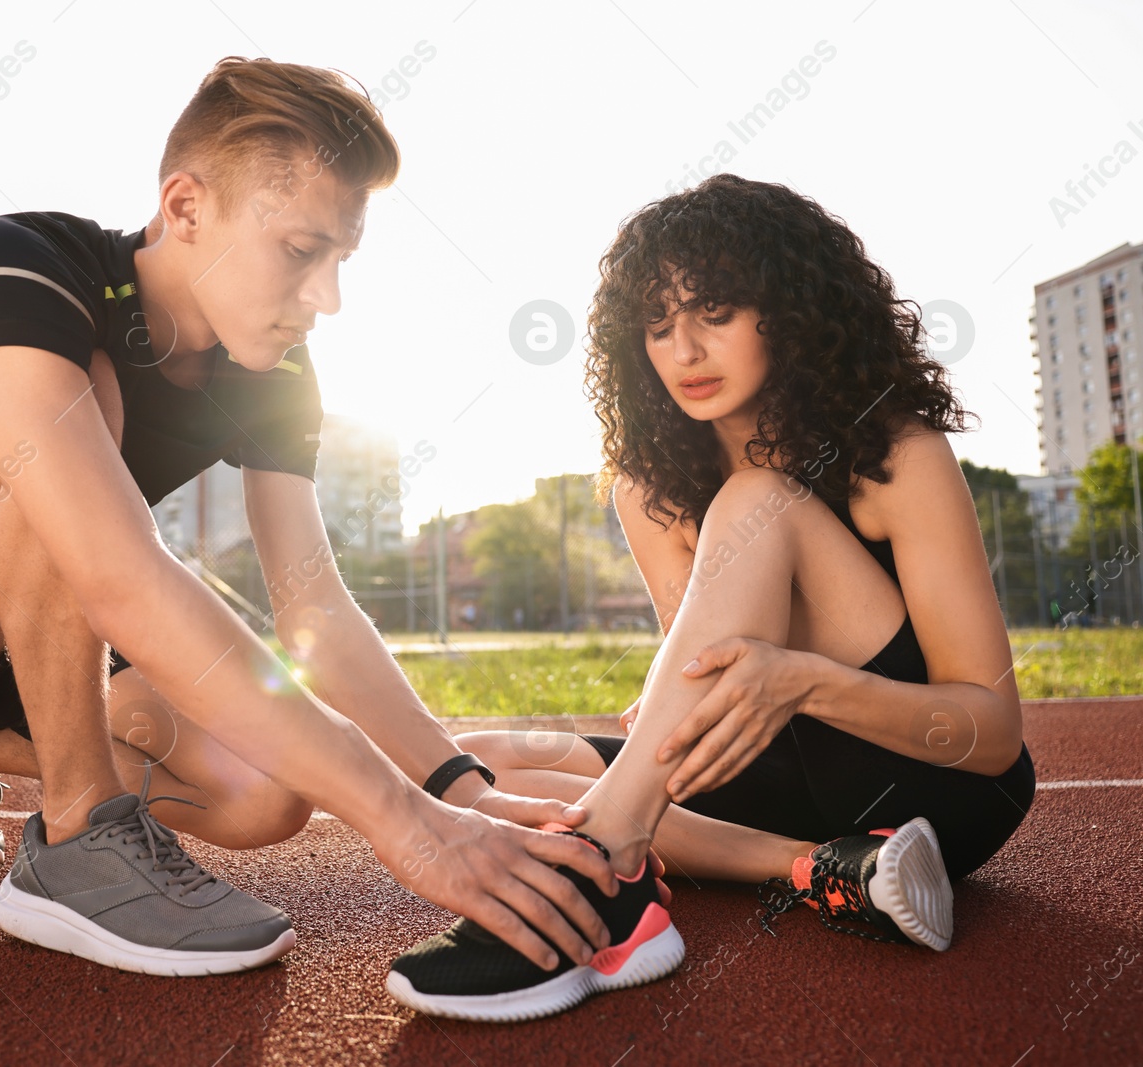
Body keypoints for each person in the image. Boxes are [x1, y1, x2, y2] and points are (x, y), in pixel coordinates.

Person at [0, 56, 619, 980]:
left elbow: (314, 610)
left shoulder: (276, 373)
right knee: (80, 406)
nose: (329, 297)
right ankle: (76, 835)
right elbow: (117, 573)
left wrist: (459, 789)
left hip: (39, 628)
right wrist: (406, 827)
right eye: (302, 251)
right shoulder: (23, 268)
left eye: (342, 259)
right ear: (184, 208)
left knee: (266, 795)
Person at [385, 174, 1036, 1021]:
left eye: (715, 313)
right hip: (784, 786)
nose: (684, 351)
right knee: (471, 766)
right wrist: (666, 706)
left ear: (790, 311)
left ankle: (609, 872)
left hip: (928, 790)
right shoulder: (646, 487)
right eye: (658, 326)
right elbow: (702, 673)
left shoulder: (897, 453)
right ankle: (821, 867)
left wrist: (798, 680)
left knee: (761, 499)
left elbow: (991, 740)